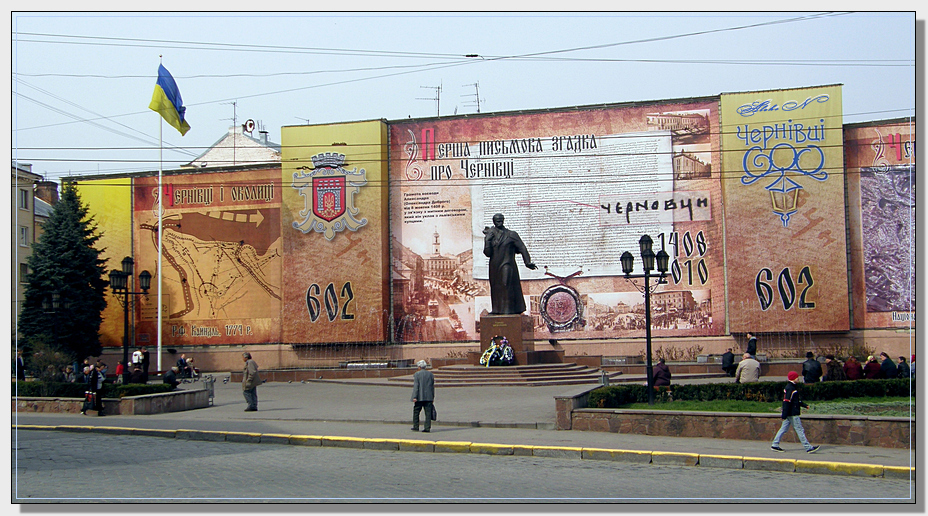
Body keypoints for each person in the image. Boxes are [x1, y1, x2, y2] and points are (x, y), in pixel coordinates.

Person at [482, 213, 537, 315]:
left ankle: (508, 310)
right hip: (494, 266)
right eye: (497, 220)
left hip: (507, 264)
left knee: (506, 284)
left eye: (501, 220)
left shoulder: (511, 234)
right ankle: (497, 310)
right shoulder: (490, 234)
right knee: (495, 286)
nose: (499, 222)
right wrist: (487, 240)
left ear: (504, 220)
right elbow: (488, 253)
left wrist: (527, 262)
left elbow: (522, 248)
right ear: (493, 221)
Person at [771, 371, 820, 454]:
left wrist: (804, 405)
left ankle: (775, 444)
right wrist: (784, 414)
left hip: (789, 413)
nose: (798, 378)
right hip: (793, 413)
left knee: (783, 429)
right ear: (793, 378)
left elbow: (795, 401)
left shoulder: (791, 387)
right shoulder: (791, 388)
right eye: (797, 377)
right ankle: (808, 447)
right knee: (799, 429)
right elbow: (786, 401)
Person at [410, 360, 435, 433]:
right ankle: (427, 428)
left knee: (416, 411)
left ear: (419, 367)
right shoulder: (430, 374)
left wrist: (414, 396)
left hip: (419, 397)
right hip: (429, 397)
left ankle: (416, 426)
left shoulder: (417, 374)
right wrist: (432, 397)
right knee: (428, 413)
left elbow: (416, 387)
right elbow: (432, 387)